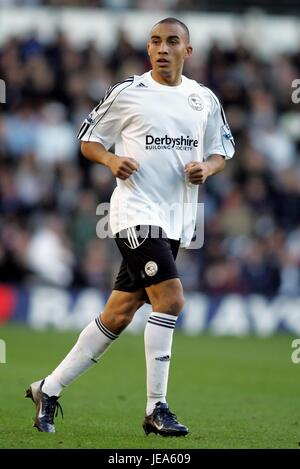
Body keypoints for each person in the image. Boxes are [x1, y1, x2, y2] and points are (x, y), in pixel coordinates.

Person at [26, 17, 235, 436]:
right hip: (135, 214)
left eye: (171, 41)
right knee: (171, 300)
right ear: (148, 49)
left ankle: (48, 389)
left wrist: (206, 170)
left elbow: (222, 150)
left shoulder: (203, 99)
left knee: (119, 313)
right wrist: (110, 160)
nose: (162, 48)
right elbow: (88, 139)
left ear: (187, 51)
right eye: (155, 41)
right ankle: (156, 408)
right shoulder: (129, 92)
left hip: (177, 220)